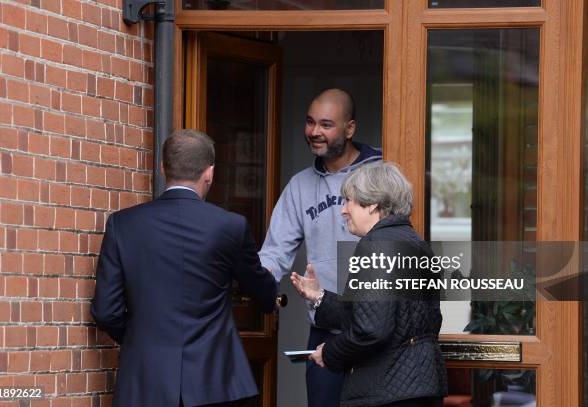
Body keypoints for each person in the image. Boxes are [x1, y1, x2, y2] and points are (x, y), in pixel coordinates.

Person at [91, 129, 278, 407]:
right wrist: (270, 292)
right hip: (215, 384)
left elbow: (106, 311)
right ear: (209, 173)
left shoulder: (123, 224)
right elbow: (262, 293)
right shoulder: (230, 226)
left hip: (144, 382)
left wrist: (141, 336)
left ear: (163, 167)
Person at [259, 88, 382, 407]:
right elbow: (274, 253)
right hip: (327, 329)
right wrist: (258, 286)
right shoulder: (300, 186)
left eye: (326, 124)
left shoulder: (382, 172)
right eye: (310, 122)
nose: (315, 132)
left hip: (378, 328)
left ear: (350, 128)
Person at [290, 161, 448, 407]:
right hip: (419, 388)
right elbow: (377, 314)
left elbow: (372, 329)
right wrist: (319, 296)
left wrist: (329, 353)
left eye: (348, 201)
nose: (343, 210)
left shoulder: (376, 246)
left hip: (387, 392)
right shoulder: (415, 243)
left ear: (373, 203)